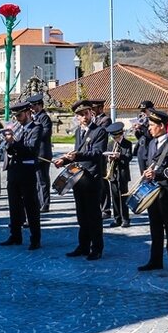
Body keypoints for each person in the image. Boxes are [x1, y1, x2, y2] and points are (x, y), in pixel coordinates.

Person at [53, 99, 106, 260]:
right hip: (78, 179)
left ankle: (96, 248)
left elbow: (97, 154)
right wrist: (64, 160)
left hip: (92, 178)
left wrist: (77, 155)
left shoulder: (99, 131)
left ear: (92, 113)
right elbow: (77, 153)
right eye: (80, 115)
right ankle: (83, 245)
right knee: (81, 215)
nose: (83, 117)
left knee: (93, 216)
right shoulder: (79, 132)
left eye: (86, 113)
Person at [137, 110, 168, 274]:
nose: (149, 128)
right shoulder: (151, 144)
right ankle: (155, 260)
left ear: (161, 126)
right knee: (154, 227)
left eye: (151, 125)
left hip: (166, 192)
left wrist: (158, 174)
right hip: (152, 191)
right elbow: (149, 163)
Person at [0, 101, 43, 249]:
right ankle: (15, 235)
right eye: (15, 115)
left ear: (28, 113)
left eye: (19, 115)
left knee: (31, 206)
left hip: (27, 171)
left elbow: (31, 149)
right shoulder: (18, 127)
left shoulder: (36, 128)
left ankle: (35, 238)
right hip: (14, 170)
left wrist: (13, 142)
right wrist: (8, 144)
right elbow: (13, 150)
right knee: (14, 205)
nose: (17, 118)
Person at [105, 122, 133, 228]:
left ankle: (126, 219)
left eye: (116, 137)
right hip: (113, 174)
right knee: (115, 197)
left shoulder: (127, 143)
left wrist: (119, 156)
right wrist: (109, 158)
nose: (115, 140)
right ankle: (117, 218)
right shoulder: (110, 144)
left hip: (122, 174)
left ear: (120, 134)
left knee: (123, 197)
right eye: (114, 137)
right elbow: (106, 155)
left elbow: (128, 157)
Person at [29, 93, 53, 212]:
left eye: (34, 106)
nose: (32, 108)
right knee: (37, 180)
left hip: (43, 153)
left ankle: (45, 204)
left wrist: (32, 134)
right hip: (36, 153)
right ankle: (39, 202)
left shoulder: (44, 117)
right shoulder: (34, 118)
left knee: (43, 180)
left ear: (40, 105)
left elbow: (45, 133)